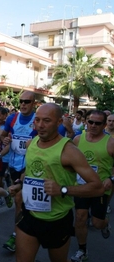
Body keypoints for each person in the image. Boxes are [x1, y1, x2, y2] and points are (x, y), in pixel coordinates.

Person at [8, 103, 104, 262]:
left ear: (60, 122)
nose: (40, 125)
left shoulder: (69, 151)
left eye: (46, 120)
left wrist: (63, 190)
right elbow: (29, 173)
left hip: (56, 220)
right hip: (30, 215)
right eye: (37, 120)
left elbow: (98, 187)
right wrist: (19, 183)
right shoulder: (31, 144)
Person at [70, 110, 114, 262]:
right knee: (80, 218)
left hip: (101, 188)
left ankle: (105, 223)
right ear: (86, 122)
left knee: (97, 223)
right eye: (90, 122)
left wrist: (111, 178)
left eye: (98, 123)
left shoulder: (110, 142)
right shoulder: (77, 139)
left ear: (103, 125)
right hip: (81, 187)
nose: (93, 125)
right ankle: (82, 250)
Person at [1, 91, 38, 252]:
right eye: (21, 101)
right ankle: (23, 234)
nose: (23, 104)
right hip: (14, 165)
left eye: (27, 101)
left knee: (21, 201)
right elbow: (3, 135)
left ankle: (19, 236)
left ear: (33, 103)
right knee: (20, 201)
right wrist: (6, 139)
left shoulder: (38, 120)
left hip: (31, 166)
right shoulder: (12, 118)